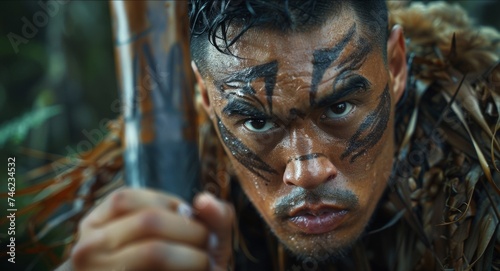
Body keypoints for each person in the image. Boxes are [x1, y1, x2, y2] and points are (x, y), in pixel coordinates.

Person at [40, 1, 499, 270]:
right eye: (259, 122)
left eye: (338, 108)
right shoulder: (154, 209)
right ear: (204, 95)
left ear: (396, 67)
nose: (307, 171)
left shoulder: (485, 174)